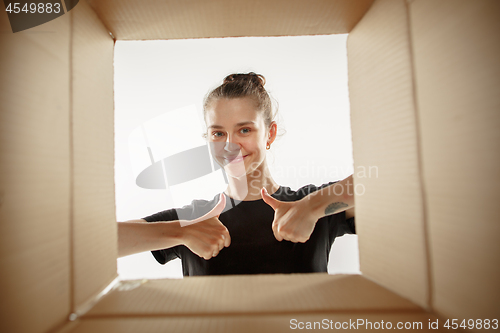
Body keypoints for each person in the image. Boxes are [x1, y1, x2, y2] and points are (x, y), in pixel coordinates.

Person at [117, 72, 355, 276]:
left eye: (244, 130)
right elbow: (95, 243)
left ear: (270, 134)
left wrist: (314, 206)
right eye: (218, 134)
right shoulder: (195, 218)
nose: (230, 145)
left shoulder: (315, 205)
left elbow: (387, 180)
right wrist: (180, 231)